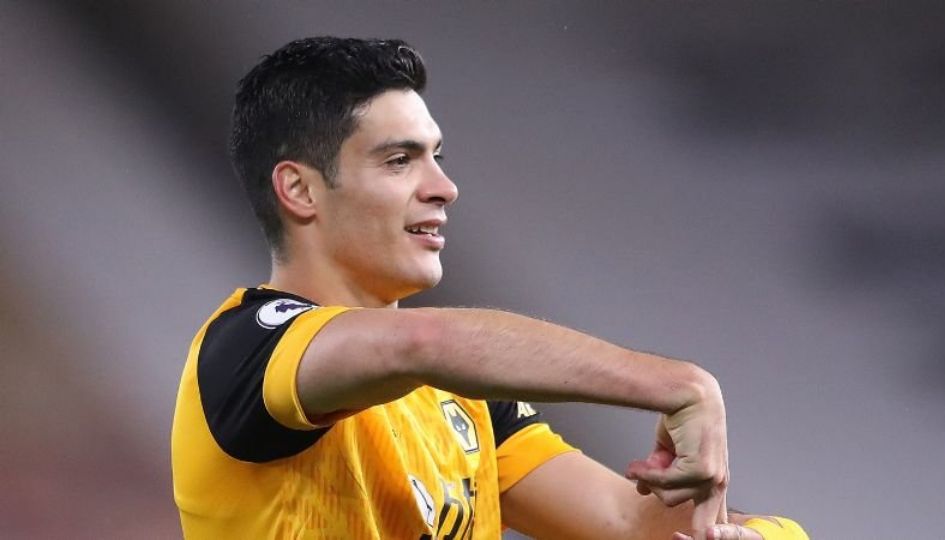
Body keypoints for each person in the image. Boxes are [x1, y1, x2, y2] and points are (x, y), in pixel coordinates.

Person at [171, 36, 807, 539]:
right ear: (299, 190)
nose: (443, 188)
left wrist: (753, 534)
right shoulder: (245, 351)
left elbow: (627, 525)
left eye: (437, 157)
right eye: (399, 160)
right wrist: (679, 384)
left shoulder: (459, 402)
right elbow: (421, 343)